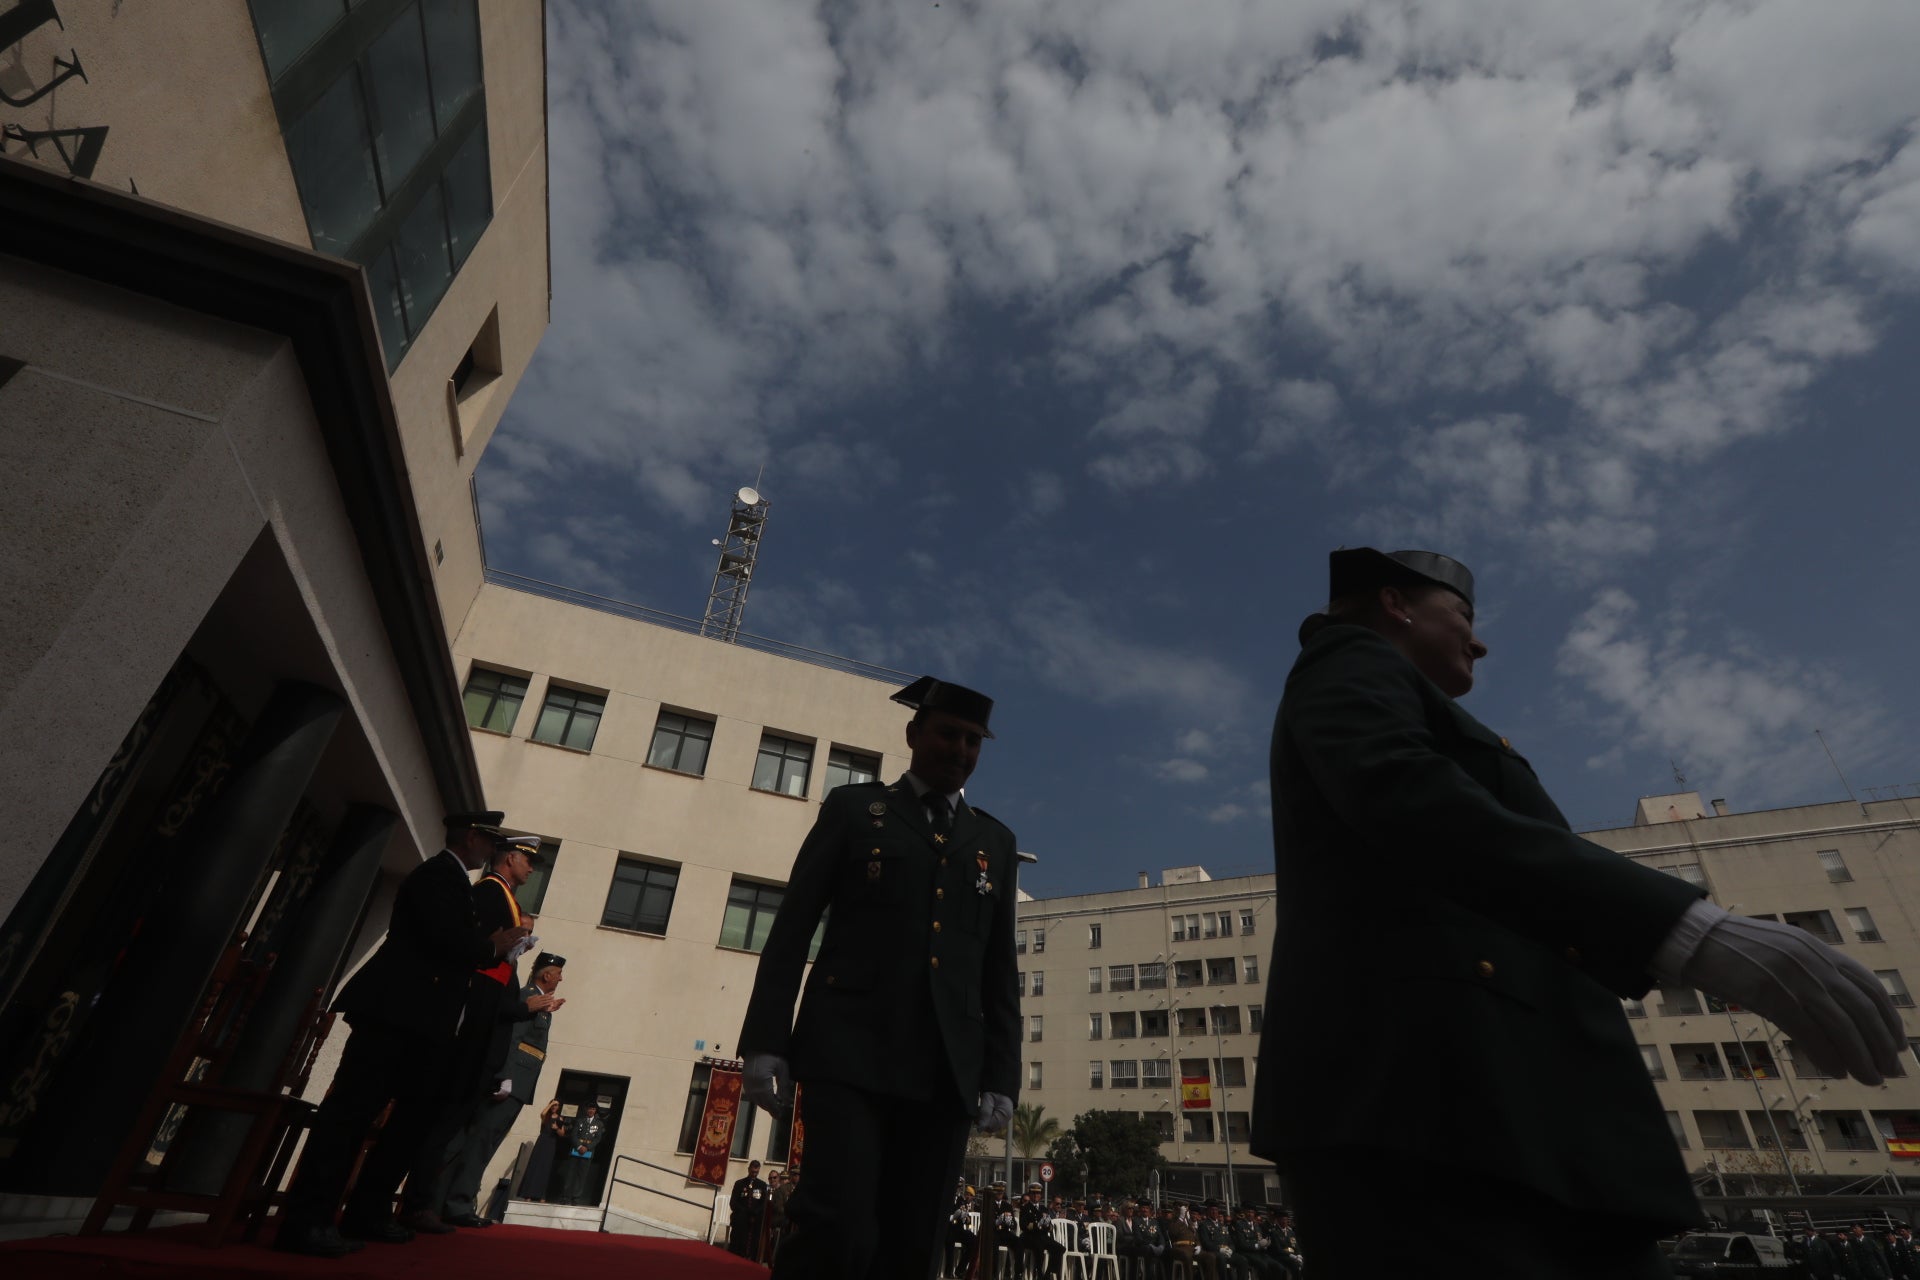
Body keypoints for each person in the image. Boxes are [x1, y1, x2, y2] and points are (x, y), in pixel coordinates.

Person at [1250, 547, 1907, 1278]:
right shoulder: (1348, 660)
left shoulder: (1397, 689)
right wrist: (1682, 930)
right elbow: (1401, 792)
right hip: (1436, 1113)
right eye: (1463, 614)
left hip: (1514, 1116)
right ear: (1397, 604)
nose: (1480, 640)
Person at [738, 676, 1021, 1279]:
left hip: (946, 1070)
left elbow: (999, 971)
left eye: (974, 740)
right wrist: (766, 1042)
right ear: (914, 733)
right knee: (835, 1225)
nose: (960, 749)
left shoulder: (993, 841)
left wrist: (1001, 1074)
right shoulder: (854, 810)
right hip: (850, 1054)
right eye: (948, 733)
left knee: (914, 1241)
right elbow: (791, 932)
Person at [274, 811, 532, 1259]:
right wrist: (494, 945)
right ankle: (307, 1220)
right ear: (472, 838)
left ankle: (367, 1211)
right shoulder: (437, 876)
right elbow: (445, 940)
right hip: (396, 1014)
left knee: (411, 1121)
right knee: (352, 1116)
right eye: (490, 841)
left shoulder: (456, 882)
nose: (494, 851)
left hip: (424, 1023)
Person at [436, 949, 567, 1226]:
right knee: (479, 1143)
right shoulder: (527, 997)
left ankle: (455, 1200)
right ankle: (456, 1203)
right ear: (546, 975)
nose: (561, 979)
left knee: (486, 1143)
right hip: (510, 1083)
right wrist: (504, 1077)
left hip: (521, 1084)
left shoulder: (541, 1002)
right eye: (558, 974)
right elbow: (512, 1038)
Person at [555, 1103, 605, 1205]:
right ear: (587, 1110)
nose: (591, 1111)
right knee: (570, 1174)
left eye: (593, 1109)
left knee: (581, 1176)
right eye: (589, 1109)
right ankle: (565, 1197)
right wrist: (579, 1146)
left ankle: (576, 1198)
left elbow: (597, 1139)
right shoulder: (580, 1121)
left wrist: (587, 1147)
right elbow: (573, 1135)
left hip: (588, 1152)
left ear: (595, 1111)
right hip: (576, 1151)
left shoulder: (599, 1124)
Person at [518, 1099, 566, 1203]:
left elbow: (562, 1134)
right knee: (534, 1166)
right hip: (542, 1142)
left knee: (545, 1168)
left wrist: (557, 1128)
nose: (554, 1107)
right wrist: (550, 1104)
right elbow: (542, 1113)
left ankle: (541, 1195)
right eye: (553, 1104)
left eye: (556, 1105)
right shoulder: (546, 1116)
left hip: (551, 1143)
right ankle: (528, 1194)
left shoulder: (560, 1118)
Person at [1017, 1183, 1066, 1279]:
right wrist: (1037, 1224)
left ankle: (1048, 1273)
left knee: (1060, 1249)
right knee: (1039, 1245)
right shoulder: (1025, 1207)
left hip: (1042, 1236)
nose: (1036, 1196)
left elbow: (1051, 1227)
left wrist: (1047, 1225)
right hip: (1030, 1236)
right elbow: (1023, 1225)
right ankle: (1039, 1272)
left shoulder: (1043, 1208)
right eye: (1033, 1193)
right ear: (1030, 1194)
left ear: (1041, 1195)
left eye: (1038, 1193)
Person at [730, 1159, 772, 1260]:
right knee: (738, 1238)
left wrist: (756, 1211)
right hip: (741, 1216)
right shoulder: (739, 1183)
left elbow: (764, 1203)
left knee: (754, 1239)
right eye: (752, 1172)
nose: (754, 1174)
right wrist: (744, 1211)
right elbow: (733, 1202)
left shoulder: (762, 1185)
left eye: (756, 1172)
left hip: (755, 1218)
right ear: (748, 1169)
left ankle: (751, 1257)